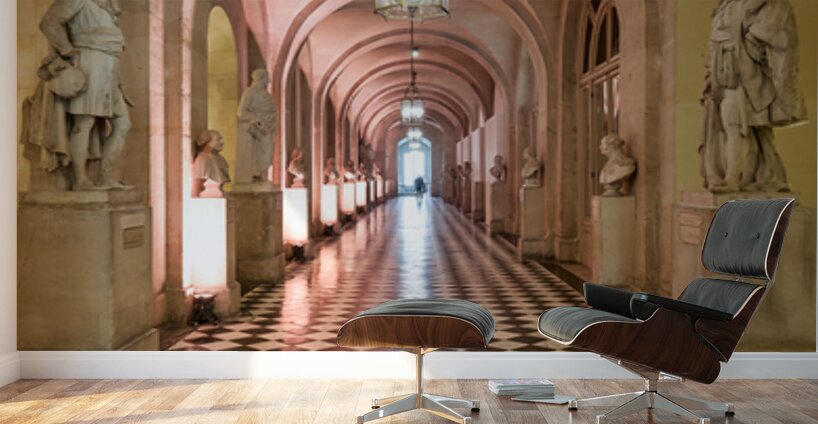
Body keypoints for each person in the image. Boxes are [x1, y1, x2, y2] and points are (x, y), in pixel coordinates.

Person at [700, 0, 806, 193]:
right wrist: (710, 76)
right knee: (734, 129)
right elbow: (713, 48)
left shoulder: (751, 4)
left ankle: (733, 178)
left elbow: (773, 27)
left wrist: (751, 44)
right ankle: (755, 175)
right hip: (721, 78)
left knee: (736, 127)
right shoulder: (722, 9)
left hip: (741, 77)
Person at [38, 0, 132, 190]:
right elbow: (48, 22)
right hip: (89, 60)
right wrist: (67, 50)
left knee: (122, 124)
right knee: (84, 122)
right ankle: (81, 180)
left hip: (110, 65)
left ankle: (105, 178)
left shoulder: (109, 6)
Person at [237, 69, 276, 184]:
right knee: (263, 153)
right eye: (266, 78)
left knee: (268, 154)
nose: (268, 81)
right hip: (260, 128)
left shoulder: (264, 93)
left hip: (270, 128)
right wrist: (257, 119)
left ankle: (262, 175)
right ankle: (257, 176)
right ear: (261, 79)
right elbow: (241, 112)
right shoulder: (250, 92)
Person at [192, 130, 230, 198]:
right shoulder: (202, 159)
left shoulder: (220, 159)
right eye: (218, 139)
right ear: (207, 142)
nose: (222, 142)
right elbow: (199, 182)